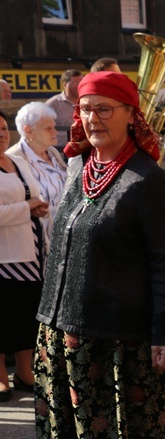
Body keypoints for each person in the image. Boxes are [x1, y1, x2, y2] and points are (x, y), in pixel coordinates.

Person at [34, 71, 165, 439]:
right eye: (86, 109)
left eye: (104, 109)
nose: (93, 118)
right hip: (65, 335)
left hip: (120, 344)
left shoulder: (147, 181)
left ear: (131, 115)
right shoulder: (78, 167)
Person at [0, 110, 49, 403]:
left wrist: (38, 207)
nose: (2, 134)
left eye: (4, 128)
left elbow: (31, 196)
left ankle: (23, 372)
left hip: (31, 253)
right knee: (2, 316)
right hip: (3, 258)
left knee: (27, 313)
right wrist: (26, 208)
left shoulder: (17, 162)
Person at [7, 102, 67, 245]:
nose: (55, 132)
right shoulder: (13, 159)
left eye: (54, 127)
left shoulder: (52, 152)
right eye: (48, 128)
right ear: (28, 130)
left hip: (63, 236)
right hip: (36, 242)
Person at [45, 69, 83, 148]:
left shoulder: (85, 101)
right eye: (76, 83)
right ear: (65, 84)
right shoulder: (53, 103)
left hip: (83, 149)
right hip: (61, 151)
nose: (80, 86)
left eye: (82, 83)